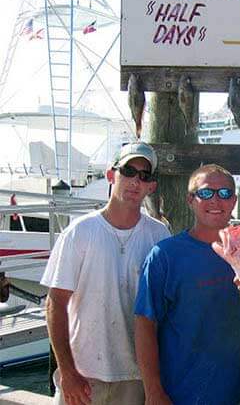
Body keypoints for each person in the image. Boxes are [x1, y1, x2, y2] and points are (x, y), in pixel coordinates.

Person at [41, 142, 171, 405]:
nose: (136, 181)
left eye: (144, 176)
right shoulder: (79, 232)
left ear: (151, 186)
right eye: (128, 171)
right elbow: (55, 303)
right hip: (83, 378)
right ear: (112, 175)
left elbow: (167, 309)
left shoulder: (160, 236)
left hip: (137, 379)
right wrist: (67, 372)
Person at [134, 164, 240, 405]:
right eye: (206, 193)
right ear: (190, 200)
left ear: (234, 200)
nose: (216, 200)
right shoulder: (164, 255)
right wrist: (153, 391)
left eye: (225, 193)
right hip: (174, 395)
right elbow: (144, 325)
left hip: (230, 393)